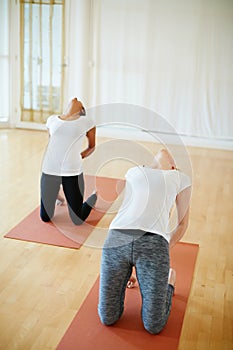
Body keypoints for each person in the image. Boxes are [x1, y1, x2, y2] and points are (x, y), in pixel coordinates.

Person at [98, 148, 191, 334]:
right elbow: (128, 209)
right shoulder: (134, 172)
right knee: (107, 318)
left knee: (153, 325)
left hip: (154, 245)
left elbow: (182, 224)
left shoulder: (180, 178)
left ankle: (169, 282)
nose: (165, 152)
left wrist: (163, 250)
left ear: (173, 167)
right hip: (117, 239)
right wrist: (125, 270)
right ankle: (129, 272)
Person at [40, 97, 97, 225]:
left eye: (80, 102)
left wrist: (78, 156)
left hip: (72, 172)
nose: (75, 98)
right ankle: (56, 195)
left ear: (81, 110)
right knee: (45, 217)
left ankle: (93, 198)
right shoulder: (52, 119)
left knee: (78, 220)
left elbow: (92, 146)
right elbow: (53, 144)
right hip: (49, 170)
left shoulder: (87, 121)